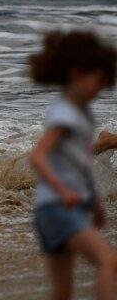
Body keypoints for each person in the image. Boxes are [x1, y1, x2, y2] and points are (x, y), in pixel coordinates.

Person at [28, 31, 117, 300]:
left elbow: (81, 165)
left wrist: (96, 204)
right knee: (108, 262)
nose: (101, 89)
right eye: (99, 82)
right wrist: (63, 190)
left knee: (62, 293)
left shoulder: (76, 113)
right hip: (59, 208)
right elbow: (38, 156)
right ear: (78, 73)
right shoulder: (65, 113)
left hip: (52, 210)